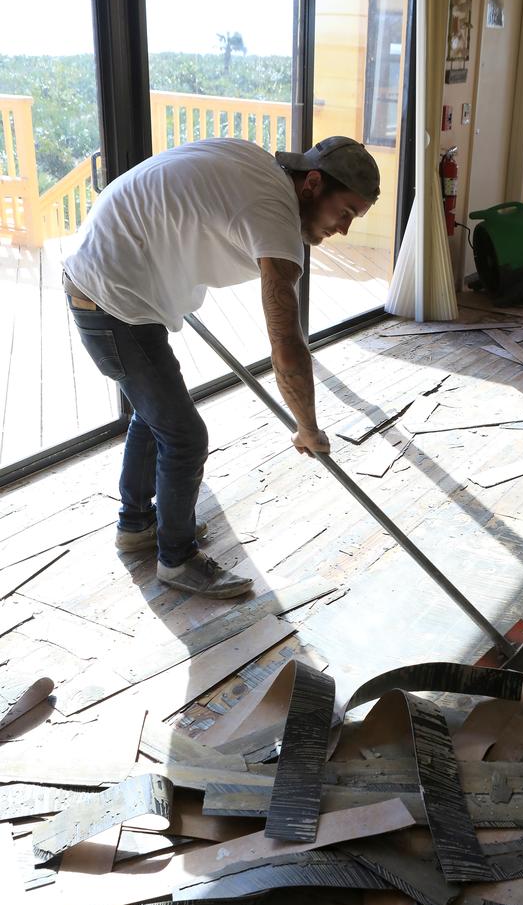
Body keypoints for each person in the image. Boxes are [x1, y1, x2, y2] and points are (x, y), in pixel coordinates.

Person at [62, 135, 380, 598]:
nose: (345, 228)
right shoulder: (275, 215)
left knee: (157, 420)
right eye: (346, 212)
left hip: (114, 282)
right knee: (184, 437)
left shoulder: (259, 166)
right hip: (110, 299)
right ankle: (177, 560)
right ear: (313, 183)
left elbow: (183, 196)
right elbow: (287, 344)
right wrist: (307, 427)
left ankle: (136, 527)